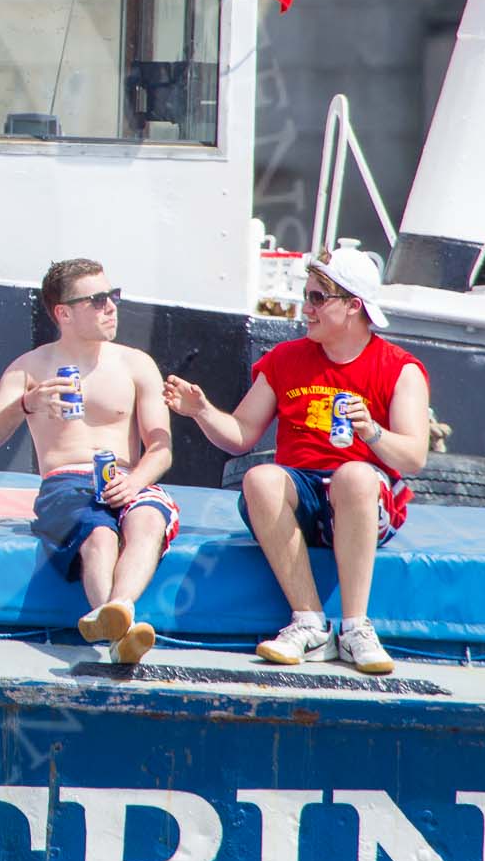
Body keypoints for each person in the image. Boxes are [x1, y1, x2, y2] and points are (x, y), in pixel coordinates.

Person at [164, 247, 431, 675]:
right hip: (302, 496)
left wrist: (372, 432)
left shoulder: (400, 369)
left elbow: (414, 457)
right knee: (261, 477)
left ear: (353, 306)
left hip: (364, 500)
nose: (305, 309)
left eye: (316, 299)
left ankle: (356, 627)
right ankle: (308, 622)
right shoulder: (285, 361)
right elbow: (240, 436)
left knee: (355, 476)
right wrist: (201, 411)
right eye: (306, 296)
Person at [0, 260, 176, 663]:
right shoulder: (30, 368)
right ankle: (120, 632)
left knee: (148, 519)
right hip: (66, 481)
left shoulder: (136, 364)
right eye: (97, 300)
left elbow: (161, 446)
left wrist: (136, 483)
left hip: (128, 477)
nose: (111, 307)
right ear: (63, 312)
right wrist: (26, 404)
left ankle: (117, 615)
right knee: (99, 535)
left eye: (112, 296)